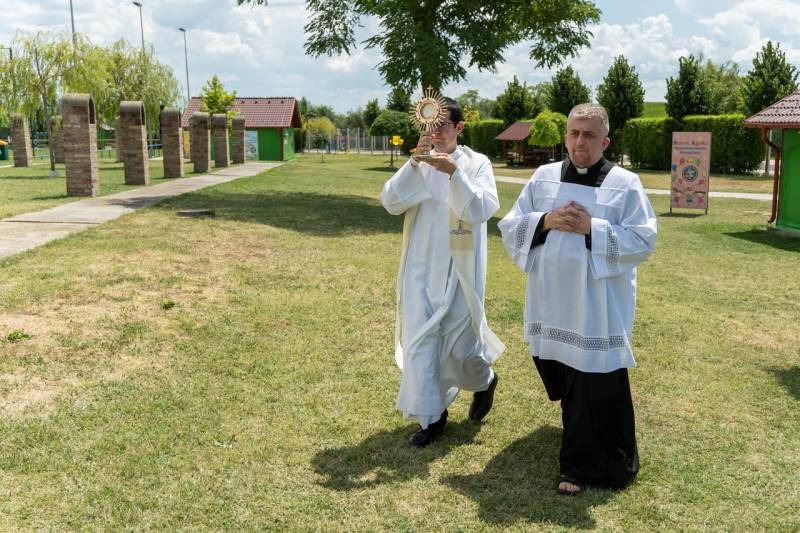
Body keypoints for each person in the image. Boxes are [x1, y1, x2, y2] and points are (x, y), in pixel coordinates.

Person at [498, 103, 657, 494]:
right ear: (565, 136)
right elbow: (511, 224)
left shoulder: (624, 183)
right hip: (551, 299)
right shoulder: (543, 177)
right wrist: (545, 220)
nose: (579, 141)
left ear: (605, 142)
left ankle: (581, 467)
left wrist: (592, 228)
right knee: (566, 374)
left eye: (589, 135)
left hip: (596, 305)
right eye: (573, 133)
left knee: (593, 379)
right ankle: (578, 437)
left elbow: (642, 239)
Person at [380, 97, 505, 447]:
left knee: (461, 349)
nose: (435, 133)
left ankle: (485, 380)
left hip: (459, 268)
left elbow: (480, 209)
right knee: (420, 343)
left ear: (459, 128)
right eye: (430, 126)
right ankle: (432, 419)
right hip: (420, 267)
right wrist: (414, 164)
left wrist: (453, 173)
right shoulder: (419, 163)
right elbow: (391, 201)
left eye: (443, 125)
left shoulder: (477, 164)